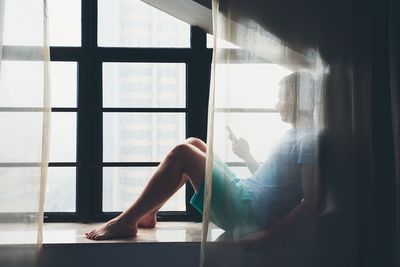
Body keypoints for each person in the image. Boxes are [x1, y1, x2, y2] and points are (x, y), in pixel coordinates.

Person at [86, 72, 320, 248]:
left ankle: (126, 222)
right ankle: (149, 212)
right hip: (247, 197)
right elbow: (276, 184)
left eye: (282, 98)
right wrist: (247, 156)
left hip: (248, 214)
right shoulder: (296, 134)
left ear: (299, 99)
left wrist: (266, 236)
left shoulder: (309, 140)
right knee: (194, 143)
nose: (277, 104)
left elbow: (311, 202)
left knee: (183, 153)